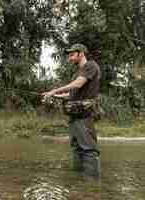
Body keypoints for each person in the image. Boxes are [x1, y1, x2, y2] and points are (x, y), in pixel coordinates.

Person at [42, 43, 101, 177]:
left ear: (81, 53)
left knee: (89, 150)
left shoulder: (91, 66)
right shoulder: (78, 73)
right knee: (77, 149)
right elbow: (72, 94)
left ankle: (92, 185)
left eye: (72, 54)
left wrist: (54, 90)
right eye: (69, 55)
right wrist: (54, 95)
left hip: (85, 116)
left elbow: (78, 84)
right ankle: (79, 181)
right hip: (74, 117)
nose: (69, 58)